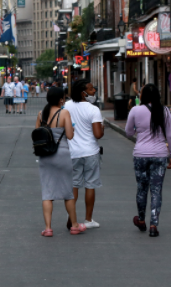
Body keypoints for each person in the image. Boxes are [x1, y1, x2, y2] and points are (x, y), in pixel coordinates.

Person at [126, 83, 171, 238]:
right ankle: (154, 224)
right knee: (156, 190)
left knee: (141, 188)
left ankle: (141, 219)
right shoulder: (165, 111)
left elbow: (128, 132)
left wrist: (138, 131)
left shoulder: (135, 110)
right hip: (160, 154)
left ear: (142, 96)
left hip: (140, 154)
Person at [36, 87, 86, 236]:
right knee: (68, 192)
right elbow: (70, 136)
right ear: (60, 99)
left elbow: (37, 134)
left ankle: (48, 228)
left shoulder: (41, 114)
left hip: (45, 156)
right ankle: (75, 225)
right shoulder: (64, 113)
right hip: (62, 155)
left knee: (47, 192)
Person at [65, 79, 104, 229]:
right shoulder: (93, 109)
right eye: (91, 89)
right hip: (90, 152)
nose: (94, 91)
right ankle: (88, 220)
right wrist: (102, 128)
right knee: (90, 185)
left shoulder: (66, 106)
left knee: (74, 185)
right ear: (83, 93)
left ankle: (71, 216)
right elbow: (98, 134)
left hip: (72, 152)